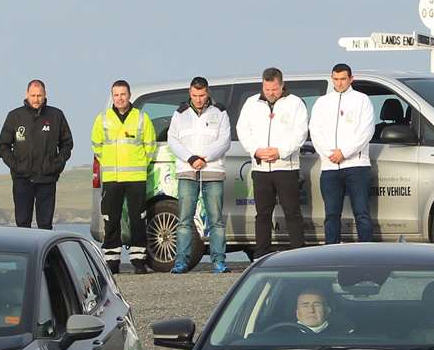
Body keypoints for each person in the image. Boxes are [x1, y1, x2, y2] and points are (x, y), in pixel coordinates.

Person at [236, 67, 309, 258]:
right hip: (260, 167)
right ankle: (260, 255)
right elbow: (243, 130)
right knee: (262, 214)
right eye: (267, 89)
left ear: (282, 85)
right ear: (263, 85)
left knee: (292, 212)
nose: (271, 93)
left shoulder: (295, 104)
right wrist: (256, 150)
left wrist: (280, 151)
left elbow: (300, 133)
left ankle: (298, 254)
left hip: (286, 167)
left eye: (274, 89)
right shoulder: (251, 103)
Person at [92, 80, 157, 273]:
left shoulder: (141, 118)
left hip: (136, 176)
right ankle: (112, 260)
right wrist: (108, 162)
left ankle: (138, 259)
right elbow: (97, 146)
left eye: (123, 94)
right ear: (112, 97)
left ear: (129, 96)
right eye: (116, 95)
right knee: (111, 218)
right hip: (112, 177)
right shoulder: (102, 119)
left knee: (137, 218)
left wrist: (140, 164)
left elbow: (150, 146)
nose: (119, 98)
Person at [168, 76, 231, 273]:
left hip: (212, 170)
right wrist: (191, 158)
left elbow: (224, 140)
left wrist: (205, 157)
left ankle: (219, 261)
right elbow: (173, 140)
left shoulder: (220, 113)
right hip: (188, 170)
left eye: (202, 95)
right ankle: (181, 261)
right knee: (185, 219)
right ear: (190, 92)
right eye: (195, 95)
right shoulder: (180, 114)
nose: (198, 99)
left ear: (208, 92)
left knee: (216, 219)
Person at [311, 63, 376, 245]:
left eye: (343, 79)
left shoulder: (362, 100)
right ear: (332, 79)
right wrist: (329, 153)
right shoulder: (322, 102)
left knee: (361, 212)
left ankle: (366, 251)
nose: (339, 83)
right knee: (331, 213)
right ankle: (331, 250)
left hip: (357, 165)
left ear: (351, 79)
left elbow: (366, 131)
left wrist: (344, 152)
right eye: (336, 79)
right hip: (330, 166)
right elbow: (315, 131)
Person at [0, 79, 74, 230]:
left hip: (47, 179)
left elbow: (67, 144)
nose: (36, 99)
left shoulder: (56, 115)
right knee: (23, 223)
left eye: (39, 95)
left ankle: (45, 254)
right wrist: (16, 166)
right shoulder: (15, 116)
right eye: (33, 95)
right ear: (27, 95)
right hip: (22, 179)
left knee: (45, 225)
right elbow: (3, 146)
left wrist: (56, 165)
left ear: (45, 95)